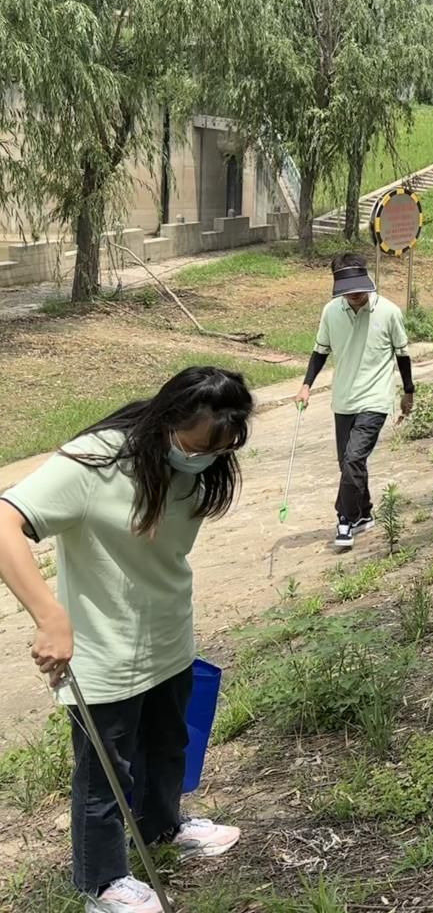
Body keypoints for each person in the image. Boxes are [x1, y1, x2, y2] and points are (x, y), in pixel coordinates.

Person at [0, 367, 252, 913]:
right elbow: (4, 522)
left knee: (168, 745)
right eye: (197, 447)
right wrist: (49, 615)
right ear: (167, 422)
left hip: (168, 633)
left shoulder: (202, 463)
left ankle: (163, 826)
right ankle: (102, 883)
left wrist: (207, 454)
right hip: (103, 649)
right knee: (105, 775)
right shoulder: (95, 461)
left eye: (220, 450)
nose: (205, 460)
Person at [296, 252, 414, 550]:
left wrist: (408, 392)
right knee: (348, 464)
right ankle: (363, 513)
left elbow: (403, 355)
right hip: (343, 399)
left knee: (353, 459)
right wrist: (306, 386)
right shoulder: (330, 312)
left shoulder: (388, 312)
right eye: (348, 292)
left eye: (359, 289)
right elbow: (320, 351)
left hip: (375, 398)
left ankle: (345, 520)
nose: (355, 295)